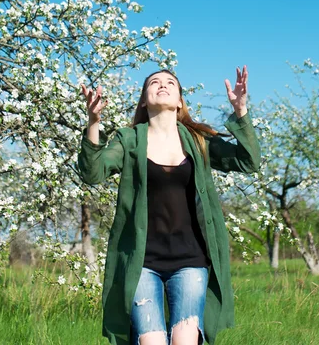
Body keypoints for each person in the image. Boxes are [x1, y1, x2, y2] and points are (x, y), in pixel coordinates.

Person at [78, 65, 261, 345]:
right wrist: (93, 123)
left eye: (170, 83)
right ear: (143, 99)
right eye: (154, 82)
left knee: (184, 340)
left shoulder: (198, 140)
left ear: (179, 101)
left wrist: (241, 111)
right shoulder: (129, 141)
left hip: (190, 261)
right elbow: (92, 173)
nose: (162, 84)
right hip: (141, 263)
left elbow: (249, 162)